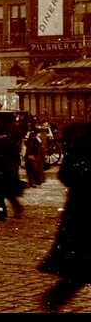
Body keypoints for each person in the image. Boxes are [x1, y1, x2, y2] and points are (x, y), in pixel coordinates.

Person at [39, 121, 91, 311]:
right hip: (84, 215)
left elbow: (66, 174)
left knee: (81, 269)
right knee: (82, 269)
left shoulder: (83, 139)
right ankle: (55, 298)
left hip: (81, 213)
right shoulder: (84, 141)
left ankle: (55, 298)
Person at [0, 116, 25, 222]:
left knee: (0, 195)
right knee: (9, 193)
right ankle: (17, 208)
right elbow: (17, 157)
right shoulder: (12, 143)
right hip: (10, 171)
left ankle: (2, 213)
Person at [24, 122, 47, 188]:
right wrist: (31, 154)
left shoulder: (34, 139)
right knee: (32, 170)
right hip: (32, 156)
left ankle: (34, 181)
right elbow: (31, 147)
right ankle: (33, 182)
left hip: (35, 156)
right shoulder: (33, 139)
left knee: (34, 169)